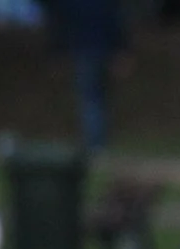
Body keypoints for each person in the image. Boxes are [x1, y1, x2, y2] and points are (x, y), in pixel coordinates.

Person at [46, 0, 128, 153]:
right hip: (102, 51)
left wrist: (58, 51)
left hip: (84, 52)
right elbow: (116, 21)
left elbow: (61, 25)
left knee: (91, 99)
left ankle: (95, 145)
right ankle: (99, 142)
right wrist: (121, 49)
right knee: (98, 98)